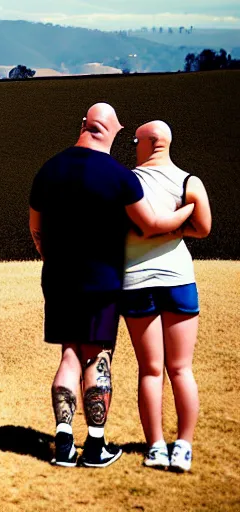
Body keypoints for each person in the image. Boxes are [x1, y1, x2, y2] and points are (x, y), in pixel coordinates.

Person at [29, 103, 195, 468]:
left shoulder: (48, 169)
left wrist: (51, 258)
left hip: (57, 278)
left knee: (69, 354)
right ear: (114, 132)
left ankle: (63, 443)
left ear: (84, 125)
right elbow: (152, 224)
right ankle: (95, 445)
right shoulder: (121, 177)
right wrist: (189, 211)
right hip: (102, 280)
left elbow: (36, 229)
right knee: (96, 355)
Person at [122, 120, 212, 472]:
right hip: (179, 278)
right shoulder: (191, 182)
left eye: (135, 141)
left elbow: (132, 228)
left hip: (136, 281)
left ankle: (156, 446)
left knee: (150, 370)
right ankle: (184, 446)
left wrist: (151, 231)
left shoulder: (126, 182)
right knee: (181, 369)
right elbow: (202, 229)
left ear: (146, 143)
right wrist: (178, 221)